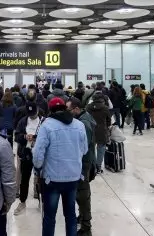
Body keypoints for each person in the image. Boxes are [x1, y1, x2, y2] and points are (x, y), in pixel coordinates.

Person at [33, 98, 88, 236]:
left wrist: (38, 168)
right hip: (73, 177)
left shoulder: (47, 125)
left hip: (52, 179)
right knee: (70, 215)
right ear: (65, 108)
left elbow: (39, 153)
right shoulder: (79, 125)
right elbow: (85, 149)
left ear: (50, 110)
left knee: (49, 217)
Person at [66, 98, 96, 236]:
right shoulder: (84, 117)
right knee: (80, 193)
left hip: (83, 163)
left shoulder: (83, 123)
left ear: (76, 109)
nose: (67, 113)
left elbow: (84, 146)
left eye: (69, 110)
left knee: (83, 194)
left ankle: (86, 227)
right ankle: (82, 217)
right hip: (84, 162)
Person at [13, 101, 44, 215]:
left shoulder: (43, 121)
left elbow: (47, 137)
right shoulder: (23, 121)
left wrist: (36, 137)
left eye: (34, 113)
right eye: (30, 113)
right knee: (24, 179)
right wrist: (25, 137)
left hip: (39, 153)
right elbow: (16, 136)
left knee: (40, 179)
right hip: (26, 153)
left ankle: (41, 201)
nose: (32, 115)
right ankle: (22, 201)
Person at [86, 92, 111, 174]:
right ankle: (98, 167)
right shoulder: (105, 108)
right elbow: (109, 121)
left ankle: (92, 166)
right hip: (102, 130)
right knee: (101, 149)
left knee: (91, 149)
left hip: (90, 130)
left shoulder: (88, 107)